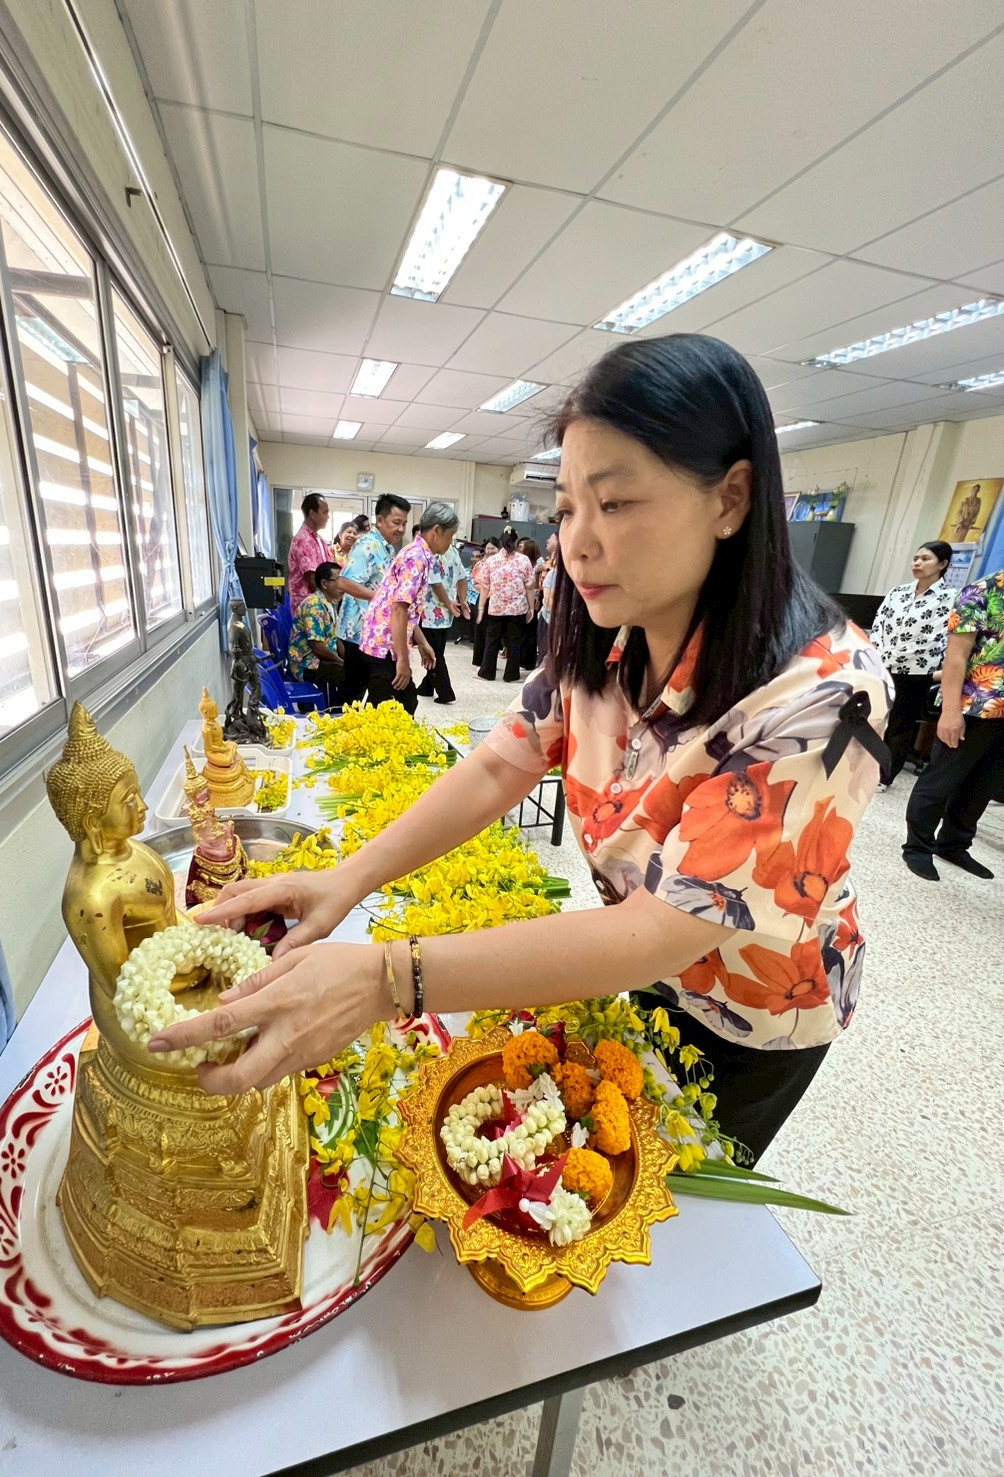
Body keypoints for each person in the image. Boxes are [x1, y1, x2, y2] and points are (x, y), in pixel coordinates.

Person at [148, 334, 892, 1164]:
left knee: (676, 1198)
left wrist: (387, 975)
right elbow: (503, 762)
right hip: (630, 965)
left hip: (751, 1013)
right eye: (567, 507)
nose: (576, 543)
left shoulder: (822, 691)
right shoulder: (610, 635)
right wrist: (345, 877)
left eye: (613, 505)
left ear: (731, 498)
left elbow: (661, 930)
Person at [903, 569, 1004, 881]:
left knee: (982, 786)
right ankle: (917, 847)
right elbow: (956, 658)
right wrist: (950, 712)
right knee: (941, 780)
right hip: (973, 705)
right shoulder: (982, 591)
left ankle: (954, 844)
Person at [358, 502, 459, 714]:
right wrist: (402, 660)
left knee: (402, 704)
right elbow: (398, 609)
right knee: (389, 712)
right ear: (437, 530)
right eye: (450, 535)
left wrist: (422, 643)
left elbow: (407, 611)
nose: (451, 542)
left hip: (384, 640)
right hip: (384, 644)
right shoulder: (416, 558)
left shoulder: (419, 554)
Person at [871, 542, 954, 789]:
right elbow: (879, 624)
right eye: (916, 558)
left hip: (914, 672)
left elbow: (932, 639)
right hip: (881, 666)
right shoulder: (898, 592)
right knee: (873, 719)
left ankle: (884, 776)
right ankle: (860, 769)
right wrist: (878, 653)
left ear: (943, 565)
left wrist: (892, 657)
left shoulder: (950, 599)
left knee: (899, 726)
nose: (917, 563)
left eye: (925, 559)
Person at [335, 493, 411, 704]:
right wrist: (381, 598)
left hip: (374, 635)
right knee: (356, 697)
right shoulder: (368, 545)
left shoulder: (386, 548)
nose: (401, 529)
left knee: (376, 696)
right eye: (396, 522)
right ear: (379, 520)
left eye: (404, 523)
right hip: (358, 635)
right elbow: (343, 582)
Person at [478, 526, 536, 683]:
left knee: (492, 640)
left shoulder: (491, 561)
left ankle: (487, 672)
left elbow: (485, 586)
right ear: (517, 542)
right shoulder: (524, 560)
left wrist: (481, 607)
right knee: (515, 642)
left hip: (496, 607)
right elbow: (529, 586)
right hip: (517, 608)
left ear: (501, 542)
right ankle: (511, 674)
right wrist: (531, 608)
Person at [417, 541, 470, 704]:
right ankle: (427, 686)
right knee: (437, 649)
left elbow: (435, 584)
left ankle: (445, 692)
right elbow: (463, 578)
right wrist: (463, 600)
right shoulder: (453, 551)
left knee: (434, 654)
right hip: (447, 612)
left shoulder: (432, 553)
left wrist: (450, 603)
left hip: (431, 611)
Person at [288, 561, 345, 692]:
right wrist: (342, 663)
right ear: (325, 584)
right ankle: (339, 711)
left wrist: (346, 659)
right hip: (307, 664)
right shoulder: (314, 605)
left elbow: (336, 638)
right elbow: (318, 648)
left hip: (320, 659)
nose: (343, 585)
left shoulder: (330, 603)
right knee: (349, 676)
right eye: (339, 580)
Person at [287, 493, 332, 602]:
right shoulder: (303, 540)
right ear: (312, 514)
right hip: (308, 606)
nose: (328, 517)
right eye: (324, 512)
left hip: (320, 602)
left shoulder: (319, 539)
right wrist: (327, 601)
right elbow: (312, 579)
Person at [471, 539, 498, 667]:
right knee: (480, 629)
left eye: (493, 548)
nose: (490, 551)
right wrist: (485, 591)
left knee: (492, 632)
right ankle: (478, 659)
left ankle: (489, 661)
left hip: (496, 600)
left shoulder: (501, 563)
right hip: (482, 598)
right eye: (488, 548)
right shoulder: (480, 564)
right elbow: (475, 583)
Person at [536, 535, 558, 668]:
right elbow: (548, 600)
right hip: (550, 617)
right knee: (545, 652)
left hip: (561, 618)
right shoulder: (551, 571)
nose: (547, 540)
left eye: (551, 538)